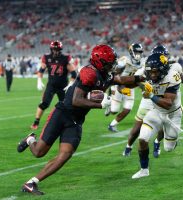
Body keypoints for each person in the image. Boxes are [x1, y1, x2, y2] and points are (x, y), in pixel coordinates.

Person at [17, 44, 144, 195]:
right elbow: (76, 100)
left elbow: (121, 79)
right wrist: (100, 104)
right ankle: (31, 139)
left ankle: (31, 183)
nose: (112, 65)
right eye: (109, 62)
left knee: (65, 154)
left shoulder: (105, 74)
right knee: (39, 152)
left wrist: (141, 78)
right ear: (100, 62)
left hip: (76, 119)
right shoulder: (89, 73)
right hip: (62, 114)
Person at [122, 45, 183, 157]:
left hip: (165, 99)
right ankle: (128, 147)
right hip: (148, 100)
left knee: (163, 127)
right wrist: (129, 83)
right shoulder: (147, 68)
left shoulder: (174, 69)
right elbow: (134, 81)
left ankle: (158, 142)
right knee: (137, 126)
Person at [131, 52, 183, 179]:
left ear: (164, 70)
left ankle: (172, 139)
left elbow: (168, 104)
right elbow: (131, 81)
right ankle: (144, 170)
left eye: (156, 72)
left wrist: (150, 95)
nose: (153, 75)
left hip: (173, 114)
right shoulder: (145, 72)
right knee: (142, 138)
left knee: (169, 148)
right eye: (151, 72)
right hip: (156, 111)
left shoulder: (172, 76)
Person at [30, 41, 77, 130]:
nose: (56, 51)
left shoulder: (65, 58)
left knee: (66, 105)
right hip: (51, 86)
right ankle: (36, 122)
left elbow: (74, 73)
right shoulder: (47, 58)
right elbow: (41, 70)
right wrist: (39, 80)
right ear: (51, 49)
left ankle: (68, 122)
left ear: (60, 50)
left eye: (57, 49)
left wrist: (70, 84)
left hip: (63, 86)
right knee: (44, 104)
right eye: (54, 49)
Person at [107, 43, 145, 132]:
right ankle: (109, 103)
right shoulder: (125, 60)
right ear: (131, 52)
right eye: (136, 52)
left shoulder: (143, 63)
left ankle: (112, 125)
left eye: (140, 52)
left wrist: (142, 86)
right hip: (119, 86)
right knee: (114, 110)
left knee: (128, 108)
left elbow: (139, 78)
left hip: (130, 88)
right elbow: (115, 75)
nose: (138, 54)